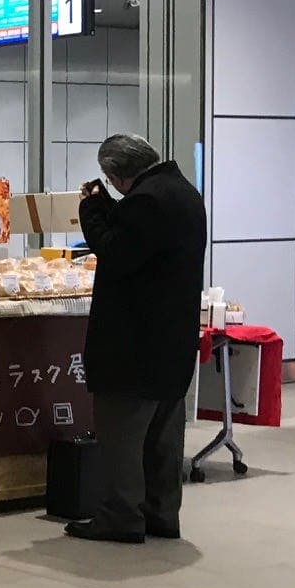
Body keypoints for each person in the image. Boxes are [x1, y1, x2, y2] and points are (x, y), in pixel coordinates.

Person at [68, 133, 207, 545]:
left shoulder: (148, 202)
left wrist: (91, 208)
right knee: (164, 436)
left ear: (116, 175)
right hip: (171, 341)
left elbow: (118, 250)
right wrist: (110, 206)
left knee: (123, 435)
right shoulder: (181, 193)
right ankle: (162, 514)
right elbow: (140, 239)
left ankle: (121, 515)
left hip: (134, 344)